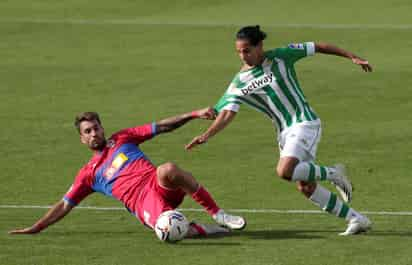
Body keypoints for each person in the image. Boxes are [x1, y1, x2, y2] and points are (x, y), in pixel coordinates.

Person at [186, 25, 372, 236]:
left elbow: (318, 46)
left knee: (284, 171)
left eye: (246, 50)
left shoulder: (282, 56)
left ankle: (332, 173)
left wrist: (352, 57)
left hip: (305, 123)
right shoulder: (239, 82)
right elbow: (226, 112)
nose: (243, 56)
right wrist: (206, 135)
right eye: (238, 52)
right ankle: (357, 219)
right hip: (284, 133)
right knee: (306, 187)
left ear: (259, 46)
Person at [9, 108, 246, 238]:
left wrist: (193, 114)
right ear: (82, 139)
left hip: (157, 184)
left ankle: (217, 214)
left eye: (96, 128)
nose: (94, 134)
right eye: (88, 131)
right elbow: (64, 205)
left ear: (103, 128)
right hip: (143, 202)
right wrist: (37, 227)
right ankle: (202, 229)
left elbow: (162, 126)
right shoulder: (88, 174)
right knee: (170, 230)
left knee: (168, 169)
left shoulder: (122, 138)